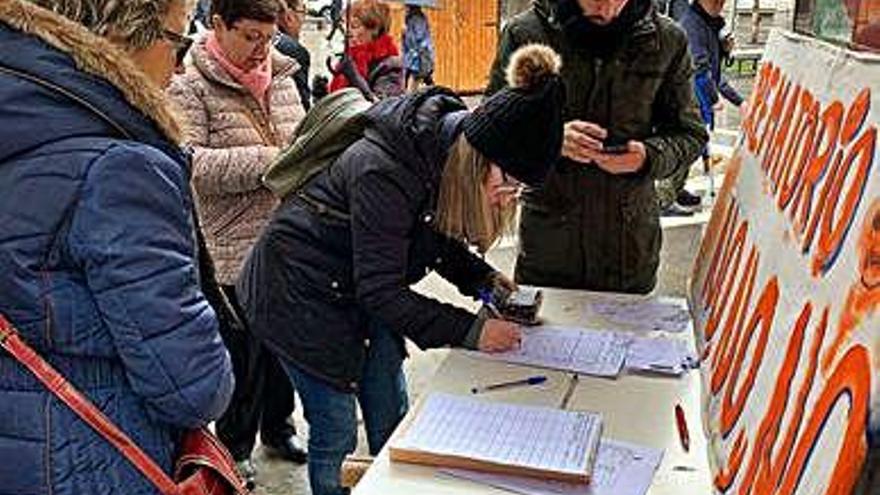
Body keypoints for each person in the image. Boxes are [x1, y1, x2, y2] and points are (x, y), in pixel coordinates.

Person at [237, 44, 565, 495]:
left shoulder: (440, 151)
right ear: (479, 158)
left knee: (393, 412)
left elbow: (431, 236)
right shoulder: (385, 170)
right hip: (299, 297)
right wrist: (473, 331)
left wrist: (485, 282)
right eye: (508, 182)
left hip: (355, 286)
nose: (509, 196)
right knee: (335, 428)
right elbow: (383, 291)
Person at [0, 0, 234, 494]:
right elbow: (192, 387)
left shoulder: (20, 120)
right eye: (177, 40)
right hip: (87, 460)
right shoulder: (121, 167)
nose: (181, 63)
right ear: (124, 36)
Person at [167, 0, 307, 487]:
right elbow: (192, 164)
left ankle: (279, 427)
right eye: (249, 37)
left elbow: (303, 141)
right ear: (218, 25)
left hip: (289, 239)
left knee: (282, 350)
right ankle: (234, 445)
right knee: (241, 356)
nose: (260, 50)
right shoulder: (188, 81)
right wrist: (274, 161)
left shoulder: (285, 71)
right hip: (231, 247)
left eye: (267, 38)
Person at [486, 0, 708, 294]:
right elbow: (490, 127)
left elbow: (690, 135)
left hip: (629, 251)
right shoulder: (526, 33)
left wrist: (648, 157)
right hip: (550, 247)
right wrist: (551, 139)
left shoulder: (667, 40)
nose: (607, 10)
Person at [666, 0, 746, 213]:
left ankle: (676, 189)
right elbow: (700, 70)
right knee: (686, 147)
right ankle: (664, 198)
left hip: (697, 100)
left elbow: (715, 72)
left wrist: (739, 100)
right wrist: (714, 99)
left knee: (694, 146)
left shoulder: (713, 24)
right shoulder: (692, 25)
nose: (721, 4)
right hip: (685, 100)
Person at [329, 0, 404, 99]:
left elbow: (384, 109)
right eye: (346, 26)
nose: (348, 33)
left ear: (375, 30)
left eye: (354, 26)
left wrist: (356, 80)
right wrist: (321, 96)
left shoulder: (390, 66)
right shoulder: (350, 58)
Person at [277, 0, 313, 110]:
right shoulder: (295, 52)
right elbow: (303, 107)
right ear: (289, 16)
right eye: (302, 12)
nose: (303, 19)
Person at [402, 4, 436, 91]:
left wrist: (407, 32)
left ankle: (409, 100)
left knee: (415, 77)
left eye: (406, 6)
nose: (404, 7)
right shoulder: (410, 17)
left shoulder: (417, 18)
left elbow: (419, 37)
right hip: (413, 54)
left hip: (418, 54)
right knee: (422, 77)